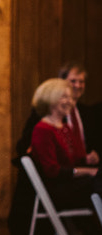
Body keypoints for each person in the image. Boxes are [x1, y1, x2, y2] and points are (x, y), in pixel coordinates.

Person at [28, 77, 99, 208]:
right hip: (59, 191)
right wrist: (88, 171)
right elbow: (52, 171)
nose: (70, 102)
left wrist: (87, 160)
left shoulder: (64, 127)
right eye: (64, 97)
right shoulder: (42, 129)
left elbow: (74, 160)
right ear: (51, 99)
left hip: (73, 184)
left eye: (71, 98)